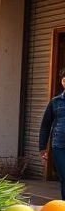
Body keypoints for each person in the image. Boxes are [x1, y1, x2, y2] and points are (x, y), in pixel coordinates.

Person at [39, 68, 65, 198]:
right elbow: (45, 126)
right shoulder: (55, 102)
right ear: (63, 82)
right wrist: (42, 147)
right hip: (59, 147)